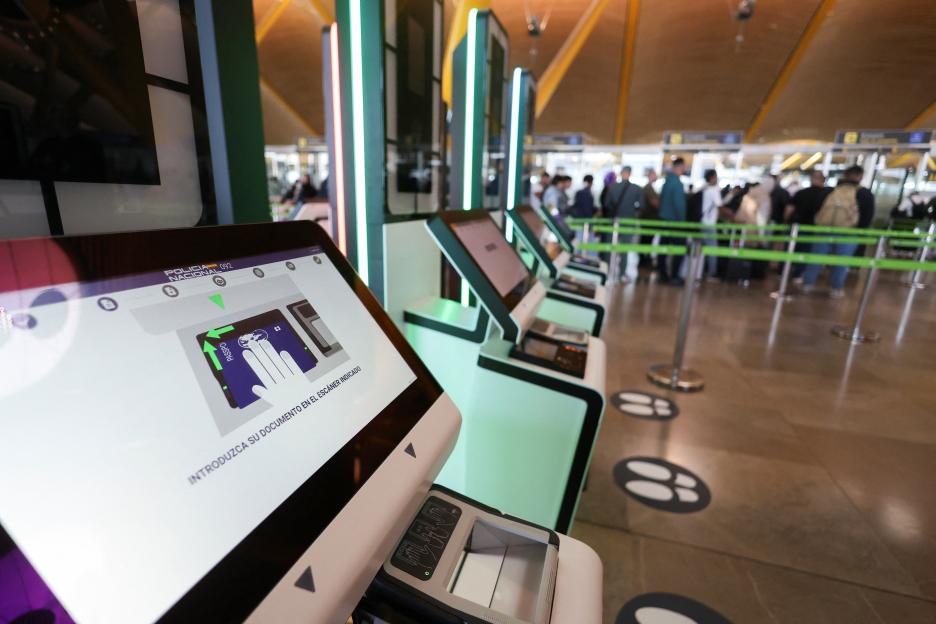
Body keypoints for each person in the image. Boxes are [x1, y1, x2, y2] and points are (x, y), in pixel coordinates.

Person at [801, 165, 875, 298]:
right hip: (848, 232)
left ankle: (808, 283)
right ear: (860, 176)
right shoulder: (864, 193)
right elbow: (867, 216)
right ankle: (836, 288)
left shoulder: (830, 190)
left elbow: (818, 208)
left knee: (816, 258)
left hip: (825, 230)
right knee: (841, 262)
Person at [602, 166, 643, 281]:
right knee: (624, 249)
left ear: (621, 173)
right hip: (628, 222)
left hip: (614, 221)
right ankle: (621, 274)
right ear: (630, 173)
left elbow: (606, 204)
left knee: (609, 247)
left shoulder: (613, 187)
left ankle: (607, 272)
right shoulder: (636, 189)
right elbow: (641, 206)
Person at [789, 170, 830, 280]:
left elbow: (789, 209)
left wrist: (786, 222)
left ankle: (787, 271)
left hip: (797, 227)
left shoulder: (801, 193)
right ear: (823, 180)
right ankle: (800, 275)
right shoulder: (828, 195)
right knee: (809, 252)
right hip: (816, 229)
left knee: (792, 249)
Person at [658, 157, 687, 285]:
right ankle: (674, 276)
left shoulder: (666, 181)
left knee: (663, 249)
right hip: (675, 222)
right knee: (680, 249)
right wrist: (683, 222)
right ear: (679, 167)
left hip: (664, 220)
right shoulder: (677, 183)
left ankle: (663, 275)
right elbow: (679, 205)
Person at [700, 169, 729, 281]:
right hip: (709, 225)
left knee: (701, 249)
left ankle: (699, 271)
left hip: (702, 222)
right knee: (713, 249)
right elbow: (720, 207)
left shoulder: (704, 188)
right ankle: (712, 274)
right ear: (712, 177)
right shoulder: (713, 190)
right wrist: (733, 218)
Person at [637, 169, 660, 275]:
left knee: (645, 240)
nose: (656, 177)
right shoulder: (649, 188)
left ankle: (643, 260)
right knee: (646, 240)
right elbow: (655, 203)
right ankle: (644, 261)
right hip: (649, 220)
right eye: (655, 175)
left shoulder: (648, 188)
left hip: (647, 219)